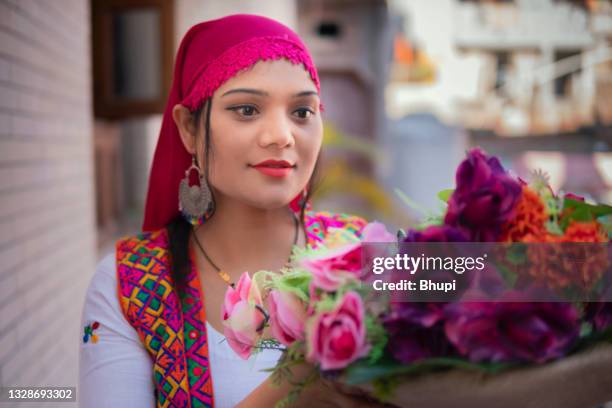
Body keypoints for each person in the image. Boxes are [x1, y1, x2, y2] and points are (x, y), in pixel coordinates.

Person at [79, 14, 382, 408]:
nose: (281, 136)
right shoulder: (128, 284)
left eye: (302, 112)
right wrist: (295, 387)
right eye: (246, 110)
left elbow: (478, 292)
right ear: (189, 128)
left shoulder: (361, 252)